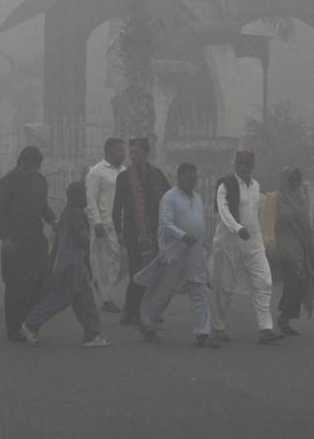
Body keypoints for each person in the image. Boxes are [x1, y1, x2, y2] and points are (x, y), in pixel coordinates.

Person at [135, 163, 219, 348]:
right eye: (189, 178)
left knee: (199, 292)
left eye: (195, 179)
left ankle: (202, 334)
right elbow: (165, 223)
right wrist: (182, 235)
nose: (193, 182)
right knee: (163, 293)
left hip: (195, 255)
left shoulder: (196, 198)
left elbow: (199, 224)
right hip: (175, 254)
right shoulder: (170, 197)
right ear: (179, 178)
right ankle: (147, 324)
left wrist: (204, 246)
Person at [19, 182, 111, 347]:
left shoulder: (70, 213)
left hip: (76, 264)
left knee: (85, 299)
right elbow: (81, 238)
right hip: (71, 265)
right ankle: (31, 324)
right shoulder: (75, 215)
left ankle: (92, 334)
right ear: (77, 196)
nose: (86, 198)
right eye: (83, 194)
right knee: (61, 298)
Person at [210, 151, 284, 344]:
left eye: (246, 164)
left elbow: (254, 215)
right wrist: (237, 228)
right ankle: (218, 328)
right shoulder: (225, 184)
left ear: (253, 165)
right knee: (224, 287)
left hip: (252, 242)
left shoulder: (256, 186)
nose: (243, 167)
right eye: (239, 163)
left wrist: (256, 239)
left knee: (264, 282)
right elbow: (223, 209)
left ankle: (265, 328)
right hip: (228, 242)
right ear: (235, 164)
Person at [0, 145, 57, 341]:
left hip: (35, 240)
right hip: (14, 242)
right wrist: (6, 238)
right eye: (28, 167)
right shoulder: (7, 182)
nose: (31, 171)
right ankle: (13, 328)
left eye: (35, 167)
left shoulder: (40, 181)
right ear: (19, 164)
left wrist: (54, 221)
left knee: (37, 284)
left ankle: (28, 324)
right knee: (15, 286)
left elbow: (43, 206)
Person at [112, 138, 171, 325]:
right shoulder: (124, 177)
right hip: (133, 233)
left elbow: (169, 201)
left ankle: (144, 310)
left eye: (137, 152)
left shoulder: (158, 175)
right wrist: (118, 231)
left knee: (153, 273)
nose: (133, 157)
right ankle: (131, 311)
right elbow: (117, 207)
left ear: (147, 153)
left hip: (155, 232)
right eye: (132, 153)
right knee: (137, 273)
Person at [274, 167, 314, 335]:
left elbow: (303, 220)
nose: (294, 183)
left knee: (298, 283)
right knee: (295, 282)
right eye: (292, 179)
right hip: (286, 247)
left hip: (299, 246)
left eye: (297, 180)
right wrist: (295, 217)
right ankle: (284, 316)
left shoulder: (298, 198)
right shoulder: (281, 197)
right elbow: (283, 217)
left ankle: (285, 317)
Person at [85, 137, 126, 313]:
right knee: (108, 261)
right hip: (105, 222)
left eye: (123, 150)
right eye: (119, 150)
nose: (123, 153)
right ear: (108, 152)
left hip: (121, 223)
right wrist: (97, 222)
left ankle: (99, 283)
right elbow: (91, 198)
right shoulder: (96, 171)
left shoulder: (124, 171)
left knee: (120, 261)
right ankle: (107, 299)